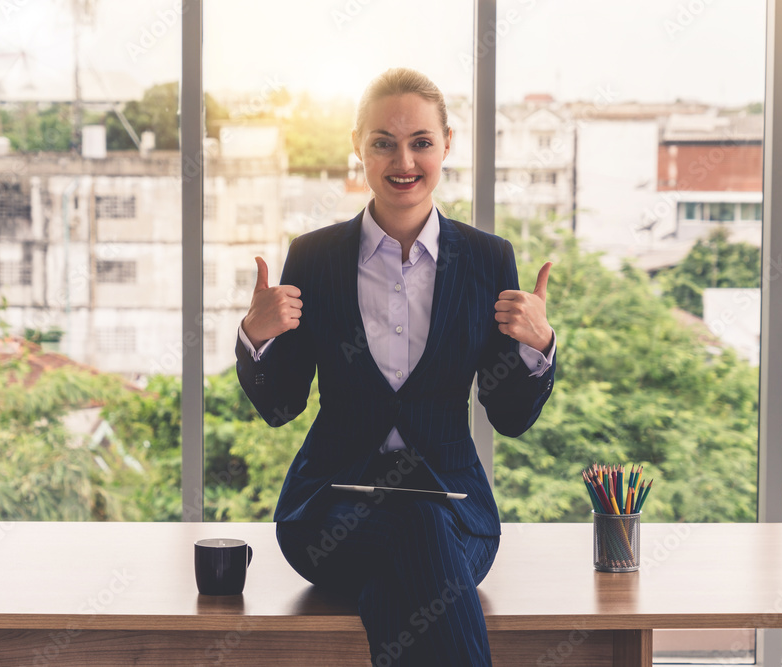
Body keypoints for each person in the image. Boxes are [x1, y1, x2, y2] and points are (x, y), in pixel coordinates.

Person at [235, 67, 556, 666]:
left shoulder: (489, 260)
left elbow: (509, 418)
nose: (402, 160)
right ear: (358, 147)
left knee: (409, 548)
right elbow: (280, 408)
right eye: (382, 142)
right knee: (415, 529)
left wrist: (536, 348)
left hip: (458, 516)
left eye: (421, 142)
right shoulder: (316, 256)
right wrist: (257, 338)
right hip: (328, 514)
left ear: (446, 145)